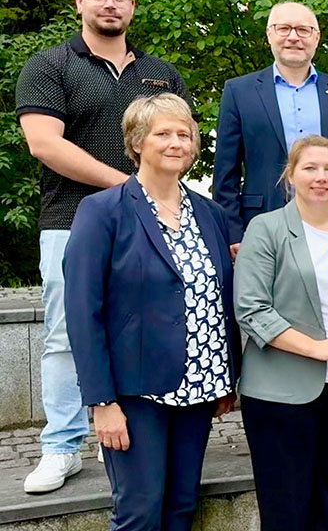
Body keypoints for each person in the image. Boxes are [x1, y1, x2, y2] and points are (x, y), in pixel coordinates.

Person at [15, 0, 191, 494]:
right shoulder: (49, 65)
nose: (109, 4)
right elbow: (45, 144)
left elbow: (176, 143)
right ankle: (61, 446)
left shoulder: (160, 73)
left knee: (143, 323)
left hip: (154, 222)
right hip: (71, 221)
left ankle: (125, 430)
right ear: (80, 3)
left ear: (132, 7)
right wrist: (126, 186)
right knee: (69, 334)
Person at [63, 94, 237, 530]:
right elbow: (83, 312)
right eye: (163, 133)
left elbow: (220, 298)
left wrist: (226, 378)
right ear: (138, 141)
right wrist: (102, 402)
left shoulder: (209, 214)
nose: (176, 142)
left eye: (185, 134)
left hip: (201, 387)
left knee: (181, 508)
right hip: (136, 393)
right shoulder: (103, 211)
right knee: (139, 514)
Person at [233, 135, 328, 531]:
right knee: (286, 506)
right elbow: (251, 309)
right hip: (281, 391)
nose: (321, 177)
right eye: (310, 168)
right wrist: (315, 349)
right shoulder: (265, 229)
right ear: (291, 175)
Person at [213, 1, 328, 255]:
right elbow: (225, 173)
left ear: (317, 38)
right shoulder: (239, 92)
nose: (293, 37)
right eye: (284, 28)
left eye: (303, 30)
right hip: (260, 227)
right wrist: (233, 233)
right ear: (269, 35)